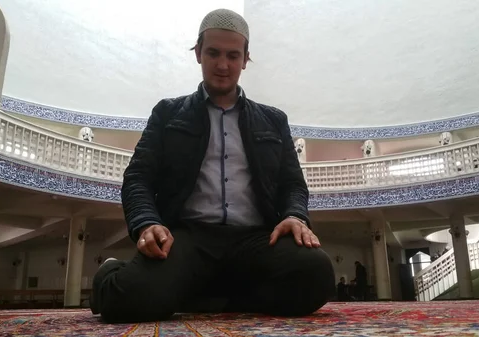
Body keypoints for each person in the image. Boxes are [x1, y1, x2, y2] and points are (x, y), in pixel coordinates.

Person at [90, 8, 335, 323]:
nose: (223, 65)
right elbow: (138, 177)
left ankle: (204, 295)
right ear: (198, 53)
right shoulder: (168, 113)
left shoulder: (273, 120)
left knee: (316, 274)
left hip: (255, 240)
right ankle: (108, 274)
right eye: (213, 53)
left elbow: (292, 184)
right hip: (189, 237)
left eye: (233, 55)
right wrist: (147, 224)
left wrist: (294, 216)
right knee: (131, 300)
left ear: (246, 59)